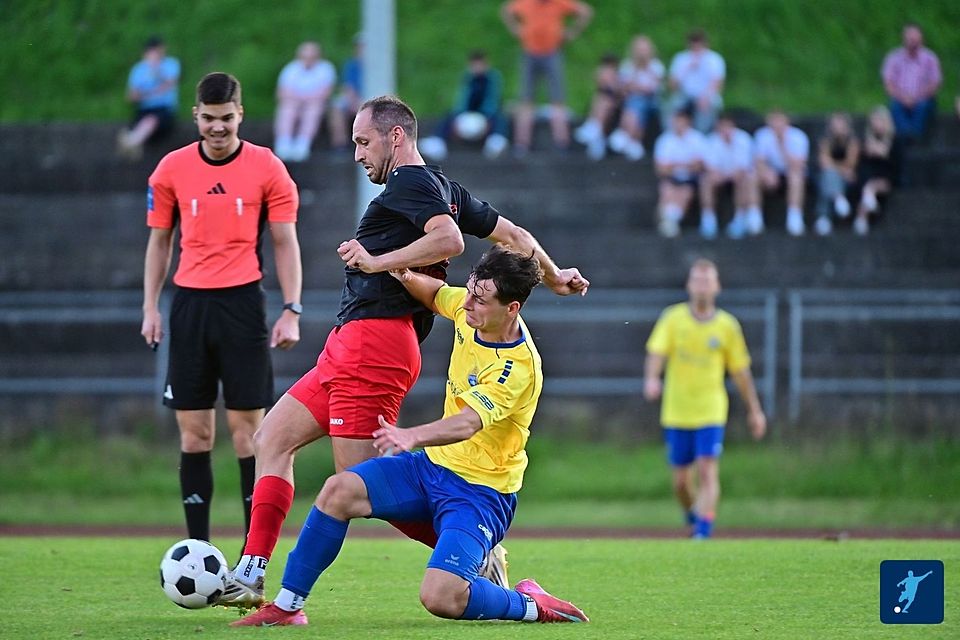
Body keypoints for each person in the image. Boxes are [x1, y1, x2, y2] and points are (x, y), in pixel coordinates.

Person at [219, 95, 590, 608]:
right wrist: (555, 276)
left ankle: (475, 554)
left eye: (363, 141)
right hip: (351, 340)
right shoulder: (446, 188)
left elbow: (449, 241)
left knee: (358, 487)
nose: (357, 154)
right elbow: (516, 236)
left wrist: (375, 262)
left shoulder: (412, 181)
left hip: (377, 341)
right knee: (272, 439)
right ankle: (252, 570)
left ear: (397, 137)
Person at [232, 245, 589, 627]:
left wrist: (411, 436)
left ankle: (531, 604)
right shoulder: (472, 309)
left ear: (512, 308)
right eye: (468, 291)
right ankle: (287, 607)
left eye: (479, 300)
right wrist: (396, 269)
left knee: (441, 597)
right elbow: (435, 293)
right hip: (430, 469)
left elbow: (467, 423)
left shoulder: (517, 368)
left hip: (480, 493)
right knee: (339, 491)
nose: (467, 304)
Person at [140, 72, 303, 549]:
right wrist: (150, 307)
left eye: (226, 119)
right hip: (189, 305)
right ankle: (198, 552)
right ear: (196, 115)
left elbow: (284, 241)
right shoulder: (170, 170)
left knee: (249, 434)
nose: (217, 128)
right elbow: (159, 242)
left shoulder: (267, 167)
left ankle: (253, 556)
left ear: (240, 115)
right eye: (209, 119)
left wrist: (291, 308)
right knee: (194, 435)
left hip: (243, 305)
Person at [643, 259, 766, 538]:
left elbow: (741, 371)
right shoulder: (672, 318)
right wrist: (652, 378)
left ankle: (703, 530)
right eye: (697, 280)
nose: (702, 286)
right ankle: (693, 516)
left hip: (711, 409)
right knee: (681, 483)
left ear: (717, 286)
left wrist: (754, 410)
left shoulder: (727, 326)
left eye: (707, 281)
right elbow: (657, 353)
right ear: (688, 285)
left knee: (708, 472)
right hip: (677, 410)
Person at [500, 0, 594, 156]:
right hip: (530, 52)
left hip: (551, 52)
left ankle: (561, 143)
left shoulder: (559, 3)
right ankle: (521, 145)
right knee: (526, 99)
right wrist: (517, 29)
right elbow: (506, 11)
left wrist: (571, 32)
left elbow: (585, 12)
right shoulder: (526, 3)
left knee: (557, 99)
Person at [418, 50, 510, 161]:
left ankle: (496, 141)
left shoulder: (492, 78)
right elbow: (463, 100)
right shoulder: (468, 78)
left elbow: (492, 100)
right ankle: (438, 142)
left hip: (486, 115)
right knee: (448, 115)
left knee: (500, 117)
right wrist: (458, 117)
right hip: (467, 115)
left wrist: (486, 118)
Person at [116, 35, 180, 160]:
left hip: (164, 109)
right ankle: (133, 143)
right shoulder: (139, 69)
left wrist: (157, 70)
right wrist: (147, 94)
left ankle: (131, 142)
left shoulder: (171, 64)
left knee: (151, 120)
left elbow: (170, 84)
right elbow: (131, 96)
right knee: (145, 120)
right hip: (144, 109)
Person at [274, 41, 338, 162]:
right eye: (305, 56)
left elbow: (326, 92)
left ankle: (302, 144)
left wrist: (305, 99)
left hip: (316, 103)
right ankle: (284, 143)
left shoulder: (325, 68)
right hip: (295, 103)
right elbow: (282, 92)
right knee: (287, 108)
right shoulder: (291, 69)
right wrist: (299, 100)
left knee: (312, 109)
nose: (308, 59)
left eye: (311, 56)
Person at [700, 112, 758, 239]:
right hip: (719, 177)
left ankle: (740, 218)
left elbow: (743, 167)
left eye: (728, 126)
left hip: (737, 177)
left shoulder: (743, 139)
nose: (726, 130)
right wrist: (717, 174)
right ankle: (708, 218)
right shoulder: (711, 140)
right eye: (722, 126)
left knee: (745, 179)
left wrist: (732, 175)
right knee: (706, 180)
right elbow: (710, 167)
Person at [881, 23, 942, 143]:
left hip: (924, 98)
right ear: (904, 39)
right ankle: (907, 136)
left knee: (922, 106)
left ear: (921, 39)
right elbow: (888, 84)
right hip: (900, 98)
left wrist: (917, 98)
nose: (913, 42)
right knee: (895, 106)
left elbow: (935, 83)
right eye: (910, 39)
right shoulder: (893, 58)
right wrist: (903, 98)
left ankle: (913, 136)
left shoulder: (930, 58)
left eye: (915, 39)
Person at [608, 35, 665, 161]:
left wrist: (637, 83)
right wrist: (636, 72)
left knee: (636, 102)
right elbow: (624, 87)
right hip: (632, 99)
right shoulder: (628, 65)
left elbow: (652, 88)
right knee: (635, 103)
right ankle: (634, 140)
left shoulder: (656, 66)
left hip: (650, 100)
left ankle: (625, 134)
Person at [753, 110, 809, 236]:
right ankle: (754, 217)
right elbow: (759, 161)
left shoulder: (798, 137)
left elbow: (798, 165)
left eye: (779, 121)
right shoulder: (762, 135)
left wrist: (782, 145)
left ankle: (794, 218)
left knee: (796, 177)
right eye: (774, 121)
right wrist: (767, 172)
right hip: (770, 174)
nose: (776, 124)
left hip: (791, 173)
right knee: (752, 177)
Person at [653, 107, 707, 238]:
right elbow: (661, 169)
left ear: (688, 122)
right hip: (671, 179)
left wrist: (674, 165)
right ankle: (669, 221)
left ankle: (669, 221)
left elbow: (700, 166)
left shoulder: (697, 139)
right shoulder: (664, 140)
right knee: (667, 190)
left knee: (685, 192)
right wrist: (686, 165)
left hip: (690, 180)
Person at [665, 29, 725, 133]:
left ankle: (701, 135)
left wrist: (706, 96)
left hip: (706, 95)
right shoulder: (681, 59)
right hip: (684, 95)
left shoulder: (714, 59)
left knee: (708, 108)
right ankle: (671, 134)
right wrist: (686, 69)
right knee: (671, 106)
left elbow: (718, 84)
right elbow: (672, 86)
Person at [854, 105, 901, 236]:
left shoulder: (896, 140)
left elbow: (896, 164)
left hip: (887, 175)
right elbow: (861, 162)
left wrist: (883, 153)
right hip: (867, 175)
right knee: (867, 184)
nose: (877, 124)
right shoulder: (866, 140)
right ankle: (866, 209)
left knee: (870, 187)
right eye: (875, 121)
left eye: (880, 120)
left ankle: (861, 217)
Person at [814, 112, 860, 236]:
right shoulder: (825, 140)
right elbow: (823, 162)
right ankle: (838, 198)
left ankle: (823, 217)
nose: (838, 127)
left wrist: (834, 167)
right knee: (828, 176)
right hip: (833, 175)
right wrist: (840, 169)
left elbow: (851, 163)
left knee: (829, 177)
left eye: (840, 124)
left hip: (846, 178)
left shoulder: (853, 142)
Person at [571, 52, 623, 161]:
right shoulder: (600, 92)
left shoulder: (620, 75)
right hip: (606, 105)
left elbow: (619, 92)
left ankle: (593, 127)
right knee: (601, 99)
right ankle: (595, 130)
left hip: (619, 105)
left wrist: (610, 83)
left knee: (603, 101)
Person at [328, 33, 364, 152]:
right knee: (336, 107)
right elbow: (348, 87)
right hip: (355, 98)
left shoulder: (379, 65)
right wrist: (353, 100)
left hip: (373, 99)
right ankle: (340, 145)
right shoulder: (352, 65)